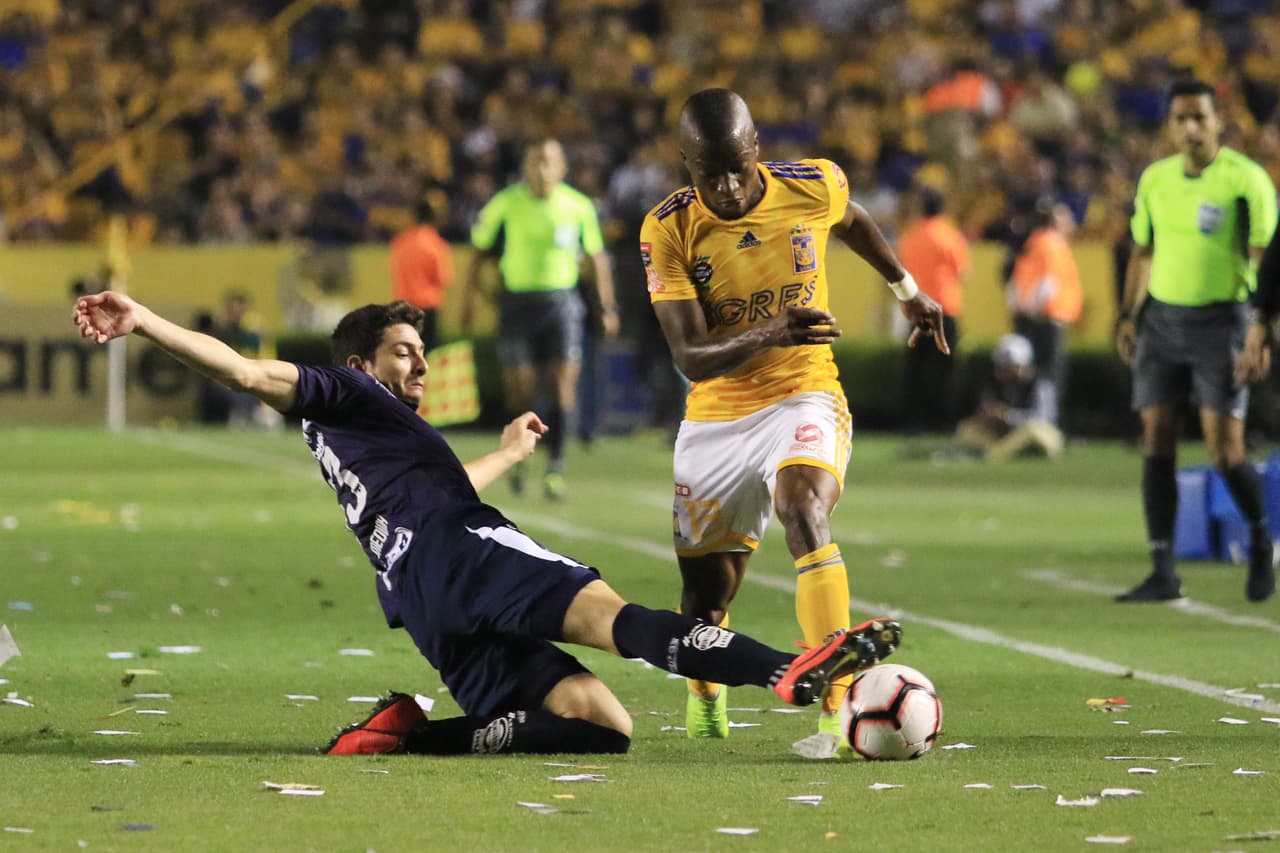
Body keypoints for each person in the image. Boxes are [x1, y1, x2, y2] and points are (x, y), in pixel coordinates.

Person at [72, 290, 903, 757]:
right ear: (360, 363)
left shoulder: (359, 435)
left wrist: (504, 456)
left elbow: (433, 491)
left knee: (600, 727)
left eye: (422, 355)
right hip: (459, 555)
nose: (420, 364)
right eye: (404, 352)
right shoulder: (345, 389)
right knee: (617, 619)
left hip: (422, 595)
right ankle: (789, 672)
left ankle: (410, 738)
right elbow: (248, 369)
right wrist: (144, 319)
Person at [639, 89, 946, 751]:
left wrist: (908, 292)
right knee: (706, 598)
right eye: (705, 172)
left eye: (734, 168)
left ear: (757, 149)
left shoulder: (813, 183)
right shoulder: (667, 229)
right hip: (717, 414)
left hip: (805, 392)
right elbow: (691, 357)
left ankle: (836, 705)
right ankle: (705, 691)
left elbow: (855, 218)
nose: (723, 186)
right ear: (685, 163)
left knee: (803, 507)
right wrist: (775, 328)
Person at [1114, 78, 1278, 604]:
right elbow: (1143, 250)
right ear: (1170, 124)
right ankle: (1162, 568)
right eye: (1181, 118)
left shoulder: (1245, 180)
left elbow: (1263, 259)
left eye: (1200, 118)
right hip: (1163, 321)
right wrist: (1129, 312)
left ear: (1218, 121)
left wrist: (1261, 325)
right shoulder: (1156, 180)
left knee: (1224, 450)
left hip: (1221, 323)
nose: (1191, 127)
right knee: (1155, 439)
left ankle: (1259, 537)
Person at [461, 138, 620, 500]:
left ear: (562, 167)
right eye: (534, 161)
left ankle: (556, 466)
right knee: (520, 386)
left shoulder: (578, 206)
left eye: (548, 161)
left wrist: (607, 308)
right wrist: (469, 301)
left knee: (561, 385)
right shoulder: (505, 202)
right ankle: (517, 458)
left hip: (562, 304)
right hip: (517, 304)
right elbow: (479, 251)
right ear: (525, 166)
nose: (541, 168)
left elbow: (597, 259)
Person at [898, 186, 970, 433]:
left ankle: (913, 421)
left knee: (915, 370)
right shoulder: (949, 236)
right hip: (944, 308)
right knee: (945, 370)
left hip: (917, 309)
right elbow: (963, 272)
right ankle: (943, 422)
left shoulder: (910, 236)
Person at [1007, 197, 1083, 427]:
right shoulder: (1052, 244)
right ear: (1054, 220)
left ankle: (1037, 420)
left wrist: (1023, 309)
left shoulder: (1033, 243)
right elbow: (1048, 283)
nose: (1070, 221)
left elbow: (1015, 285)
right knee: (1048, 375)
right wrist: (1035, 310)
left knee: (1037, 373)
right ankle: (1046, 423)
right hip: (1047, 316)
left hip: (1036, 316)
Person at [954, 333, 1064, 461]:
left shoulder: (1040, 384)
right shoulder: (995, 384)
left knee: (1032, 431)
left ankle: (995, 455)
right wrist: (990, 415)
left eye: (1007, 365)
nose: (1002, 369)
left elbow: (1044, 419)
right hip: (1006, 434)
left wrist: (1008, 416)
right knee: (966, 428)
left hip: (1037, 433)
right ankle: (1008, 451)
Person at [389, 194, 454, 352]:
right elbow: (443, 278)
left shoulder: (400, 241)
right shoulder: (435, 243)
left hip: (402, 308)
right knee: (427, 356)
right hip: (426, 310)